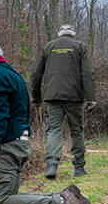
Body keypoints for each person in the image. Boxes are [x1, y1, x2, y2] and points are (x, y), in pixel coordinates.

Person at [0, 33, 93, 204]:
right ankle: (68, 197)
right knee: (9, 195)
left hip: (6, 146)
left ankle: (61, 201)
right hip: (20, 143)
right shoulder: (12, 75)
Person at [29, 24, 95, 179]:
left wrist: (36, 97)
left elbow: (36, 74)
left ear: (59, 35)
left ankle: (52, 164)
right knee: (77, 131)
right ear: (73, 34)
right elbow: (88, 73)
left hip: (52, 96)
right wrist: (90, 97)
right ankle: (79, 167)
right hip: (74, 96)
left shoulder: (48, 47)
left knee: (54, 130)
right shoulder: (80, 47)